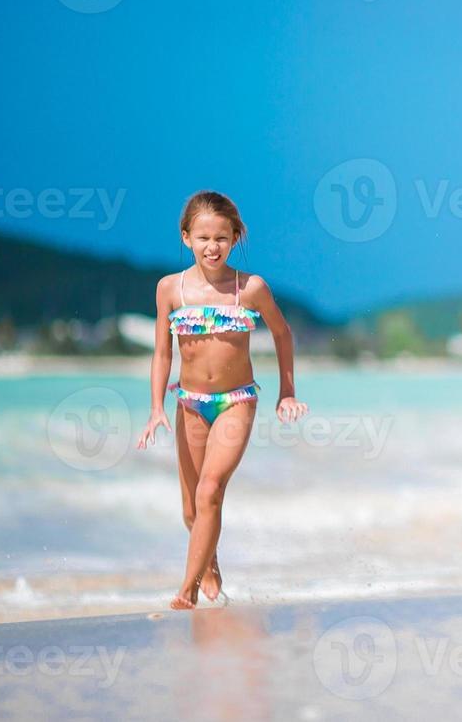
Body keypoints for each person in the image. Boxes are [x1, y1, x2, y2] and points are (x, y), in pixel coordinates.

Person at [135, 191, 308, 610]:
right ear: (186, 238)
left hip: (236, 401)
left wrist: (287, 392)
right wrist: (157, 407)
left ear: (235, 238)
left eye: (222, 238)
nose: (212, 246)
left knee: (210, 490)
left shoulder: (250, 288)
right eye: (203, 237)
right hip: (189, 402)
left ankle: (187, 588)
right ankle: (209, 561)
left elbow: (282, 334)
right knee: (192, 511)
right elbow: (163, 351)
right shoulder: (169, 290)